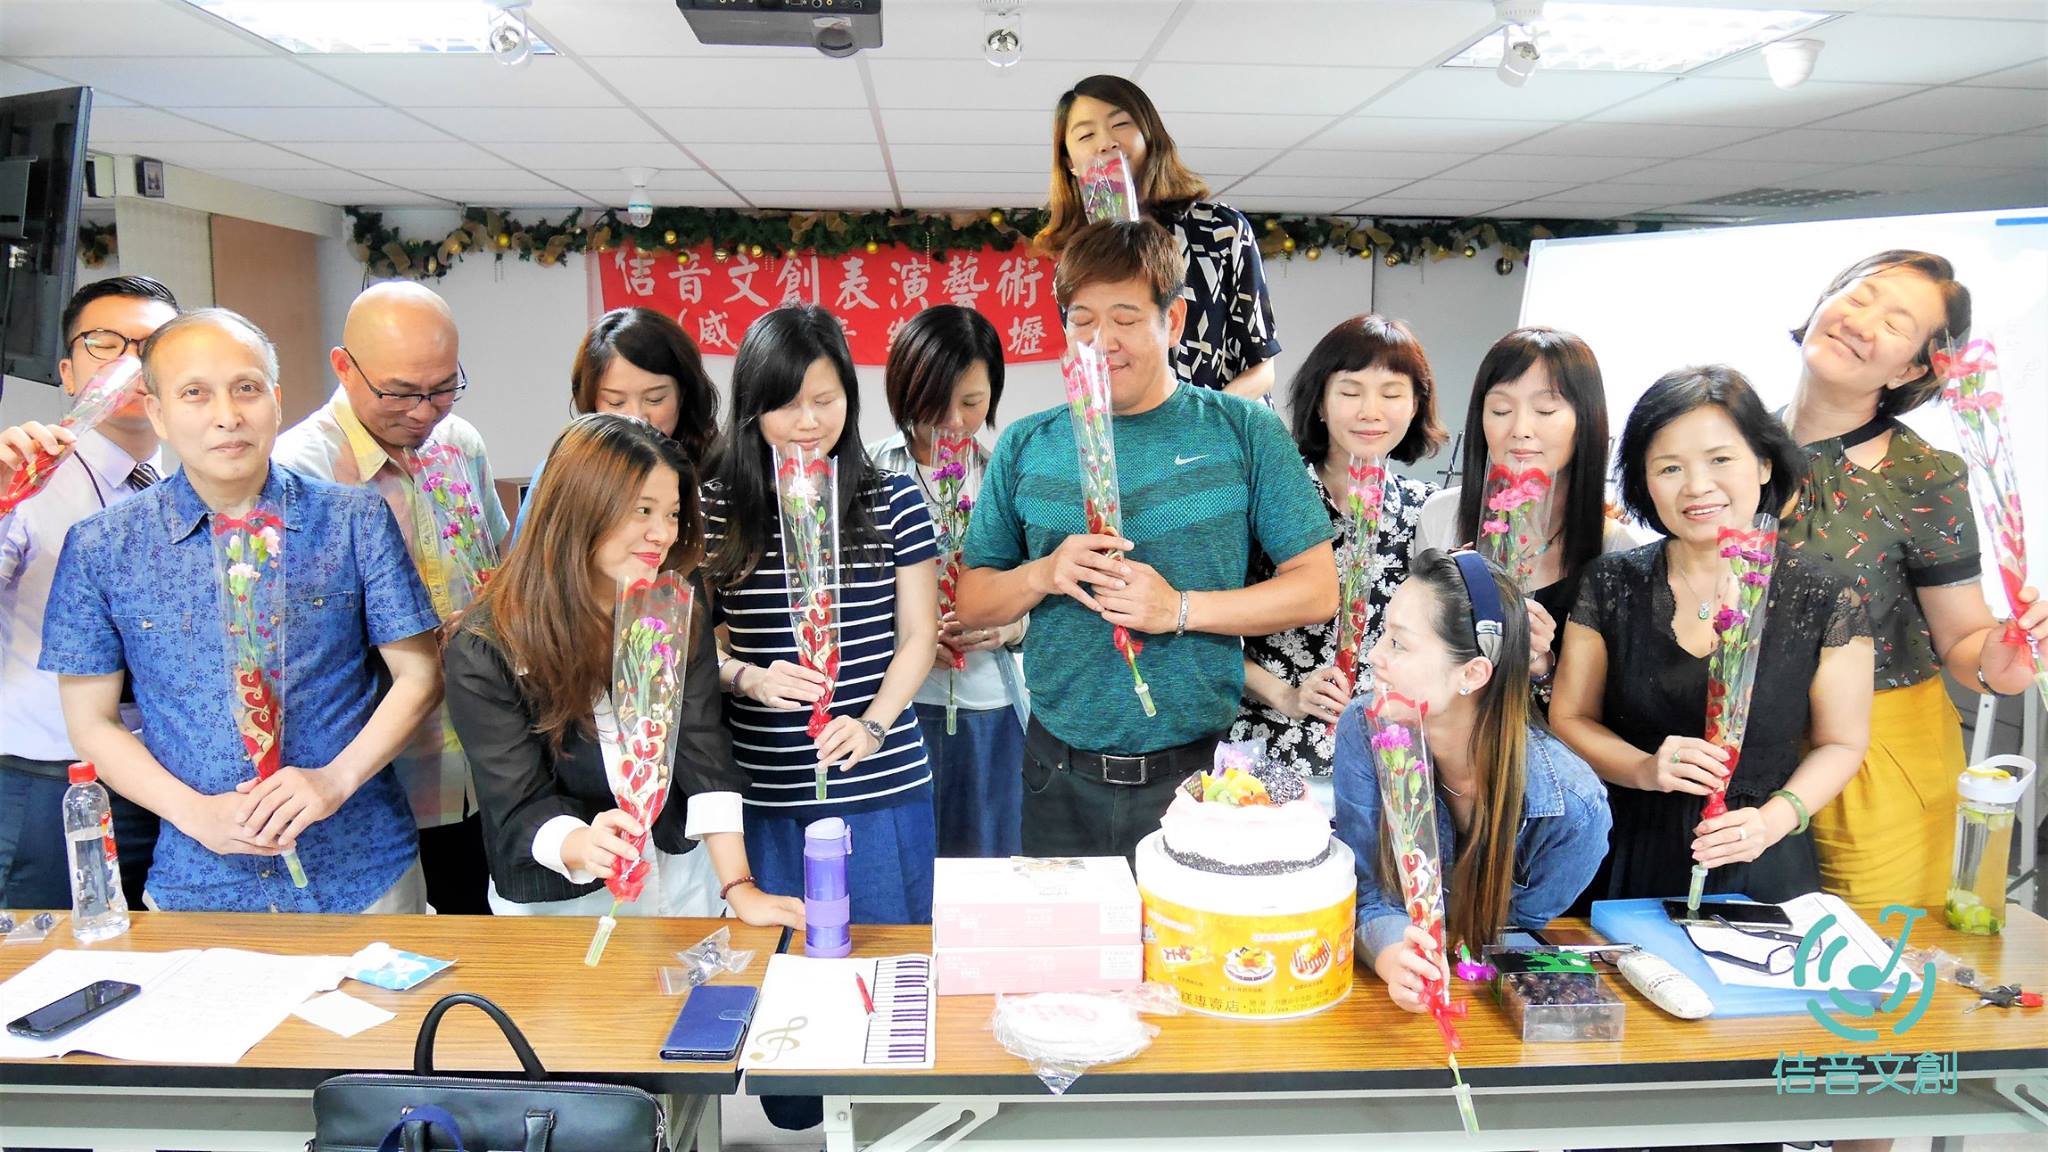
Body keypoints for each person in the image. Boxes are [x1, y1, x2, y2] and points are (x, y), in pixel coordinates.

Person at [958, 219, 1336, 860]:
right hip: (1055, 773)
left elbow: (1317, 588)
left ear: (1174, 319)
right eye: (1082, 320)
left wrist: (1178, 609)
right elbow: (972, 601)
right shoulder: (1027, 443)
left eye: (1126, 318)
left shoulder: (1242, 430)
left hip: (1198, 781)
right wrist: (1043, 574)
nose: (1101, 341)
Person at [42, 309, 440, 913]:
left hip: (364, 867)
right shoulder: (102, 547)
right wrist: (193, 813)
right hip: (198, 881)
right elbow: (92, 722)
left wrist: (334, 780)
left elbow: (420, 675)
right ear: (158, 413)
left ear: (276, 402)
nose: (227, 415)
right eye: (195, 394)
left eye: (247, 388)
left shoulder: (353, 520)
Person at [443, 414, 801, 926]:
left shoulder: (672, 600)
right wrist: (580, 841)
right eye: (643, 511)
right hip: (565, 905)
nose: (662, 534)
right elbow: (515, 801)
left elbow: (703, 747)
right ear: (580, 507)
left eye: (673, 513)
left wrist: (739, 887)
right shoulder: (486, 646)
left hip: (681, 880)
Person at [1778, 250, 2046, 910]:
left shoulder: (1922, 476)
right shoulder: (1732, 440)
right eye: (1858, 296)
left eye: (1896, 324)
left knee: (1868, 959)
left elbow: (1963, 642)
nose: (1860, 322)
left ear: (1912, 369)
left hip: (1879, 760)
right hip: (1745, 748)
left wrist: (2002, 658)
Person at [1551, 366, 1873, 906]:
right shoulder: (1609, 584)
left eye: (1720, 460)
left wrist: (1774, 820)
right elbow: (1570, 718)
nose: (1697, 486)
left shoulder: (1824, 597)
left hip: (1759, 858)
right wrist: (1644, 769)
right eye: (1669, 467)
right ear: (1644, 482)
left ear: (1765, 463)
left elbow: (1841, 742)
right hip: (1623, 852)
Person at [274, 280, 505, 915]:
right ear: (344, 366)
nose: (425, 412)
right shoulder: (300, 473)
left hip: (485, 756)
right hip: (375, 779)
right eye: (401, 393)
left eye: (444, 387)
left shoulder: (460, 444)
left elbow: (501, 566)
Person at [703, 304, 940, 925]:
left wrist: (873, 726)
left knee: (889, 957)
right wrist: (747, 677)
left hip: (883, 783)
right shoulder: (716, 509)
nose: (808, 422)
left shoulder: (893, 499)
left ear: (849, 400)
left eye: (825, 400)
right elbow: (688, 648)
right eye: (787, 404)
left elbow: (920, 635)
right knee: (778, 964)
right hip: (763, 793)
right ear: (753, 407)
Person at [1332, 550, 1610, 1013]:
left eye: (1398, 643)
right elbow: (1368, 889)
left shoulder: (1573, 810)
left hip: (1482, 999)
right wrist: (1394, 956)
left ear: (1472, 673)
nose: (1374, 657)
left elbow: (1515, 931)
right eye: (1383, 635)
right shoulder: (1365, 728)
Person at [0, 275, 177, 908]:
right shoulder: (25, 479)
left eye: (152, 346)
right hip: (52, 781)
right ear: (69, 373)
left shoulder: (188, 482)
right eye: (106, 343)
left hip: (168, 780)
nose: (131, 361)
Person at [1232, 314, 1446, 812]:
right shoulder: (1266, 500)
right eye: (1350, 392)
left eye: (1391, 393)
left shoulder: (1427, 512)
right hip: (1268, 754)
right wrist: (1285, 695)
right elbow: (1210, 629)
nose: (1371, 411)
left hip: (1384, 766)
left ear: (1415, 405)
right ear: (1321, 404)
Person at [871, 304, 1030, 857]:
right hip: (894, 708)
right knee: (907, 866)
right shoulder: (870, 475)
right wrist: (911, 638)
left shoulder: (1007, 477)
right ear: (905, 390)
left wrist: (1007, 628)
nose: (955, 421)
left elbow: (1041, 591)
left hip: (990, 704)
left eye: (972, 402)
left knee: (989, 869)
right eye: (937, 402)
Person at [1413, 326, 1635, 708]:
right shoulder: (1441, 517)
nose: (1520, 430)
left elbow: (1606, 711)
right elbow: (1415, 658)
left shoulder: (1616, 549)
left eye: (1545, 410)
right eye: (1501, 410)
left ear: (1586, 421)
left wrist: (1542, 666)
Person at [1038, 74, 1280, 401]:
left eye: (1120, 124)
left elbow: (1262, 367)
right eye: (1086, 135)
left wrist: (1202, 420)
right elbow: (1094, 376)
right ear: (1070, 162)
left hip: (1228, 427)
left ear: (1150, 135)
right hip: (1133, 432)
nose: (1106, 143)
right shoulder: (1074, 261)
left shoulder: (1221, 230)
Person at [510, 306, 721, 541]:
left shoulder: (719, 478)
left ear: (683, 395)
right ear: (591, 403)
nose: (637, 417)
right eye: (616, 402)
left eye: (655, 399)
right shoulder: (562, 476)